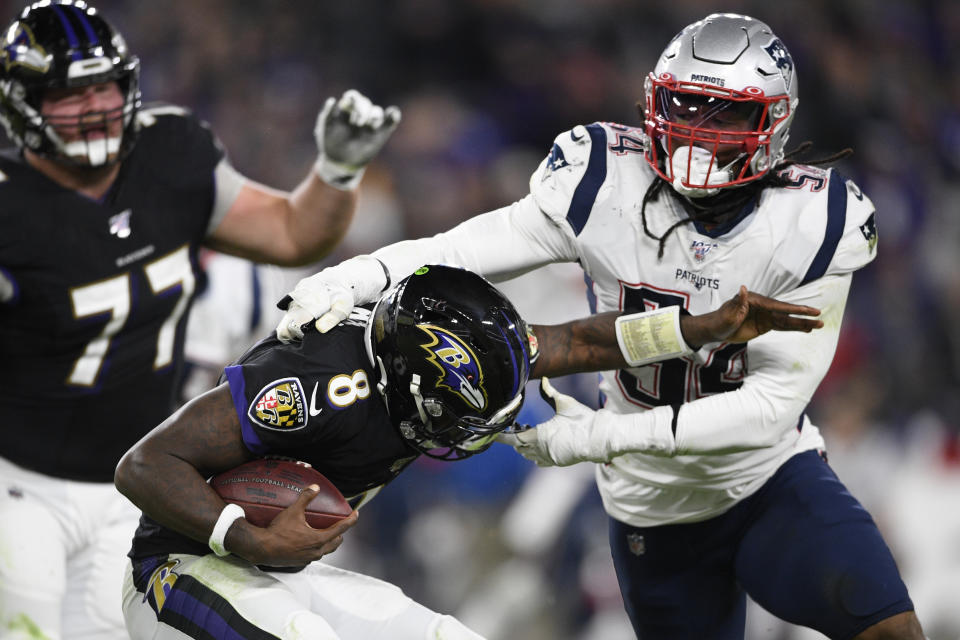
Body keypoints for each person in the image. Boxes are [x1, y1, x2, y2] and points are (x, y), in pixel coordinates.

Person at [273, 13, 925, 640]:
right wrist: (359, 275)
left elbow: (768, 409)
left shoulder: (814, 220)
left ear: (772, 122)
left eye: (725, 113)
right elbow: (472, 245)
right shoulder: (603, 178)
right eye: (685, 106)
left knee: (890, 628)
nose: (699, 130)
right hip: (650, 505)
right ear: (653, 102)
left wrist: (600, 436)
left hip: (764, 477)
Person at [114, 263, 824, 640]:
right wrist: (245, 539)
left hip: (281, 571)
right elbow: (143, 463)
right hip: (182, 569)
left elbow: (579, 342)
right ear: (414, 385)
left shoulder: (473, 357)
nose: (467, 432)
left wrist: (699, 329)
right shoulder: (316, 386)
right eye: (458, 417)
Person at [0, 1, 400, 639]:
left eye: (104, 87)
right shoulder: (11, 205)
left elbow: (294, 234)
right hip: (18, 484)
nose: (95, 107)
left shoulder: (170, 152)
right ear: (23, 104)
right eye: (70, 97)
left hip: (132, 482)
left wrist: (336, 172)